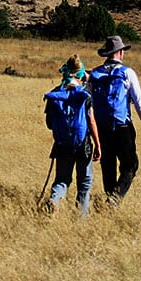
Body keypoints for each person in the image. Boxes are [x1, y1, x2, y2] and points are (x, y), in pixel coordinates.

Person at [87, 35, 141, 207]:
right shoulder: (127, 73)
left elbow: (88, 104)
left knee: (107, 165)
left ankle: (110, 196)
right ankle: (115, 198)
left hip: (101, 127)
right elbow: (139, 102)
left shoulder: (94, 74)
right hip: (122, 126)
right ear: (120, 52)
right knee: (130, 165)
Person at [44, 55, 101, 216]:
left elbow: (49, 123)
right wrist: (97, 144)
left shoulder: (55, 93)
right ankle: (81, 217)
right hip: (82, 144)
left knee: (62, 179)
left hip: (62, 144)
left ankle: (54, 200)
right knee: (84, 181)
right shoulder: (84, 94)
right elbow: (91, 121)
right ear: (81, 74)